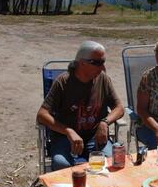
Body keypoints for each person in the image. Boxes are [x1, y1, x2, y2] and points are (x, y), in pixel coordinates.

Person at [37, 41, 124, 170]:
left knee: (114, 162)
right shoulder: (63, 82)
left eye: (103, 62)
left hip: (94, 137)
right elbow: (42, 115)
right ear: (82, 63)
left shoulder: (103, 79)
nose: (103, 68)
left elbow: (119, 108)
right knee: (62, 165)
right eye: (97, 63)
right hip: (65, 138)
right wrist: (68, 131)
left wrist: (105, 122)